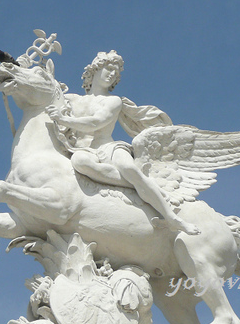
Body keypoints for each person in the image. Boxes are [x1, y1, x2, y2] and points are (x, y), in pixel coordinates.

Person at [46, 50, 200, 235]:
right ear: (94, 70)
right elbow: (43, 94)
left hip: (108, 148)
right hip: (83, 151)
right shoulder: (71, 99)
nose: (112, 74)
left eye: (116, 73)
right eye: (108, 69)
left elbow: (97, 122)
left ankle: (171, 216)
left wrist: (65, 121)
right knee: (79, 161)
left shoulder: (113, 101)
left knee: (128, 168)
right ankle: (141, 187)